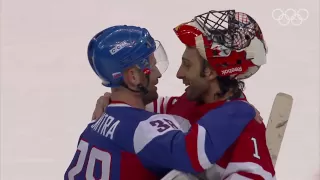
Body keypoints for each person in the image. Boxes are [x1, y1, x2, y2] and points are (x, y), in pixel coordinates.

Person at [92, 10, 276, 180]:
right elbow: (135, 112)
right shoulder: (184, 104)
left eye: (187, 65)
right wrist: (112, 100)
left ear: (210, 72)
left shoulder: (247, 130)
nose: (179, 73)